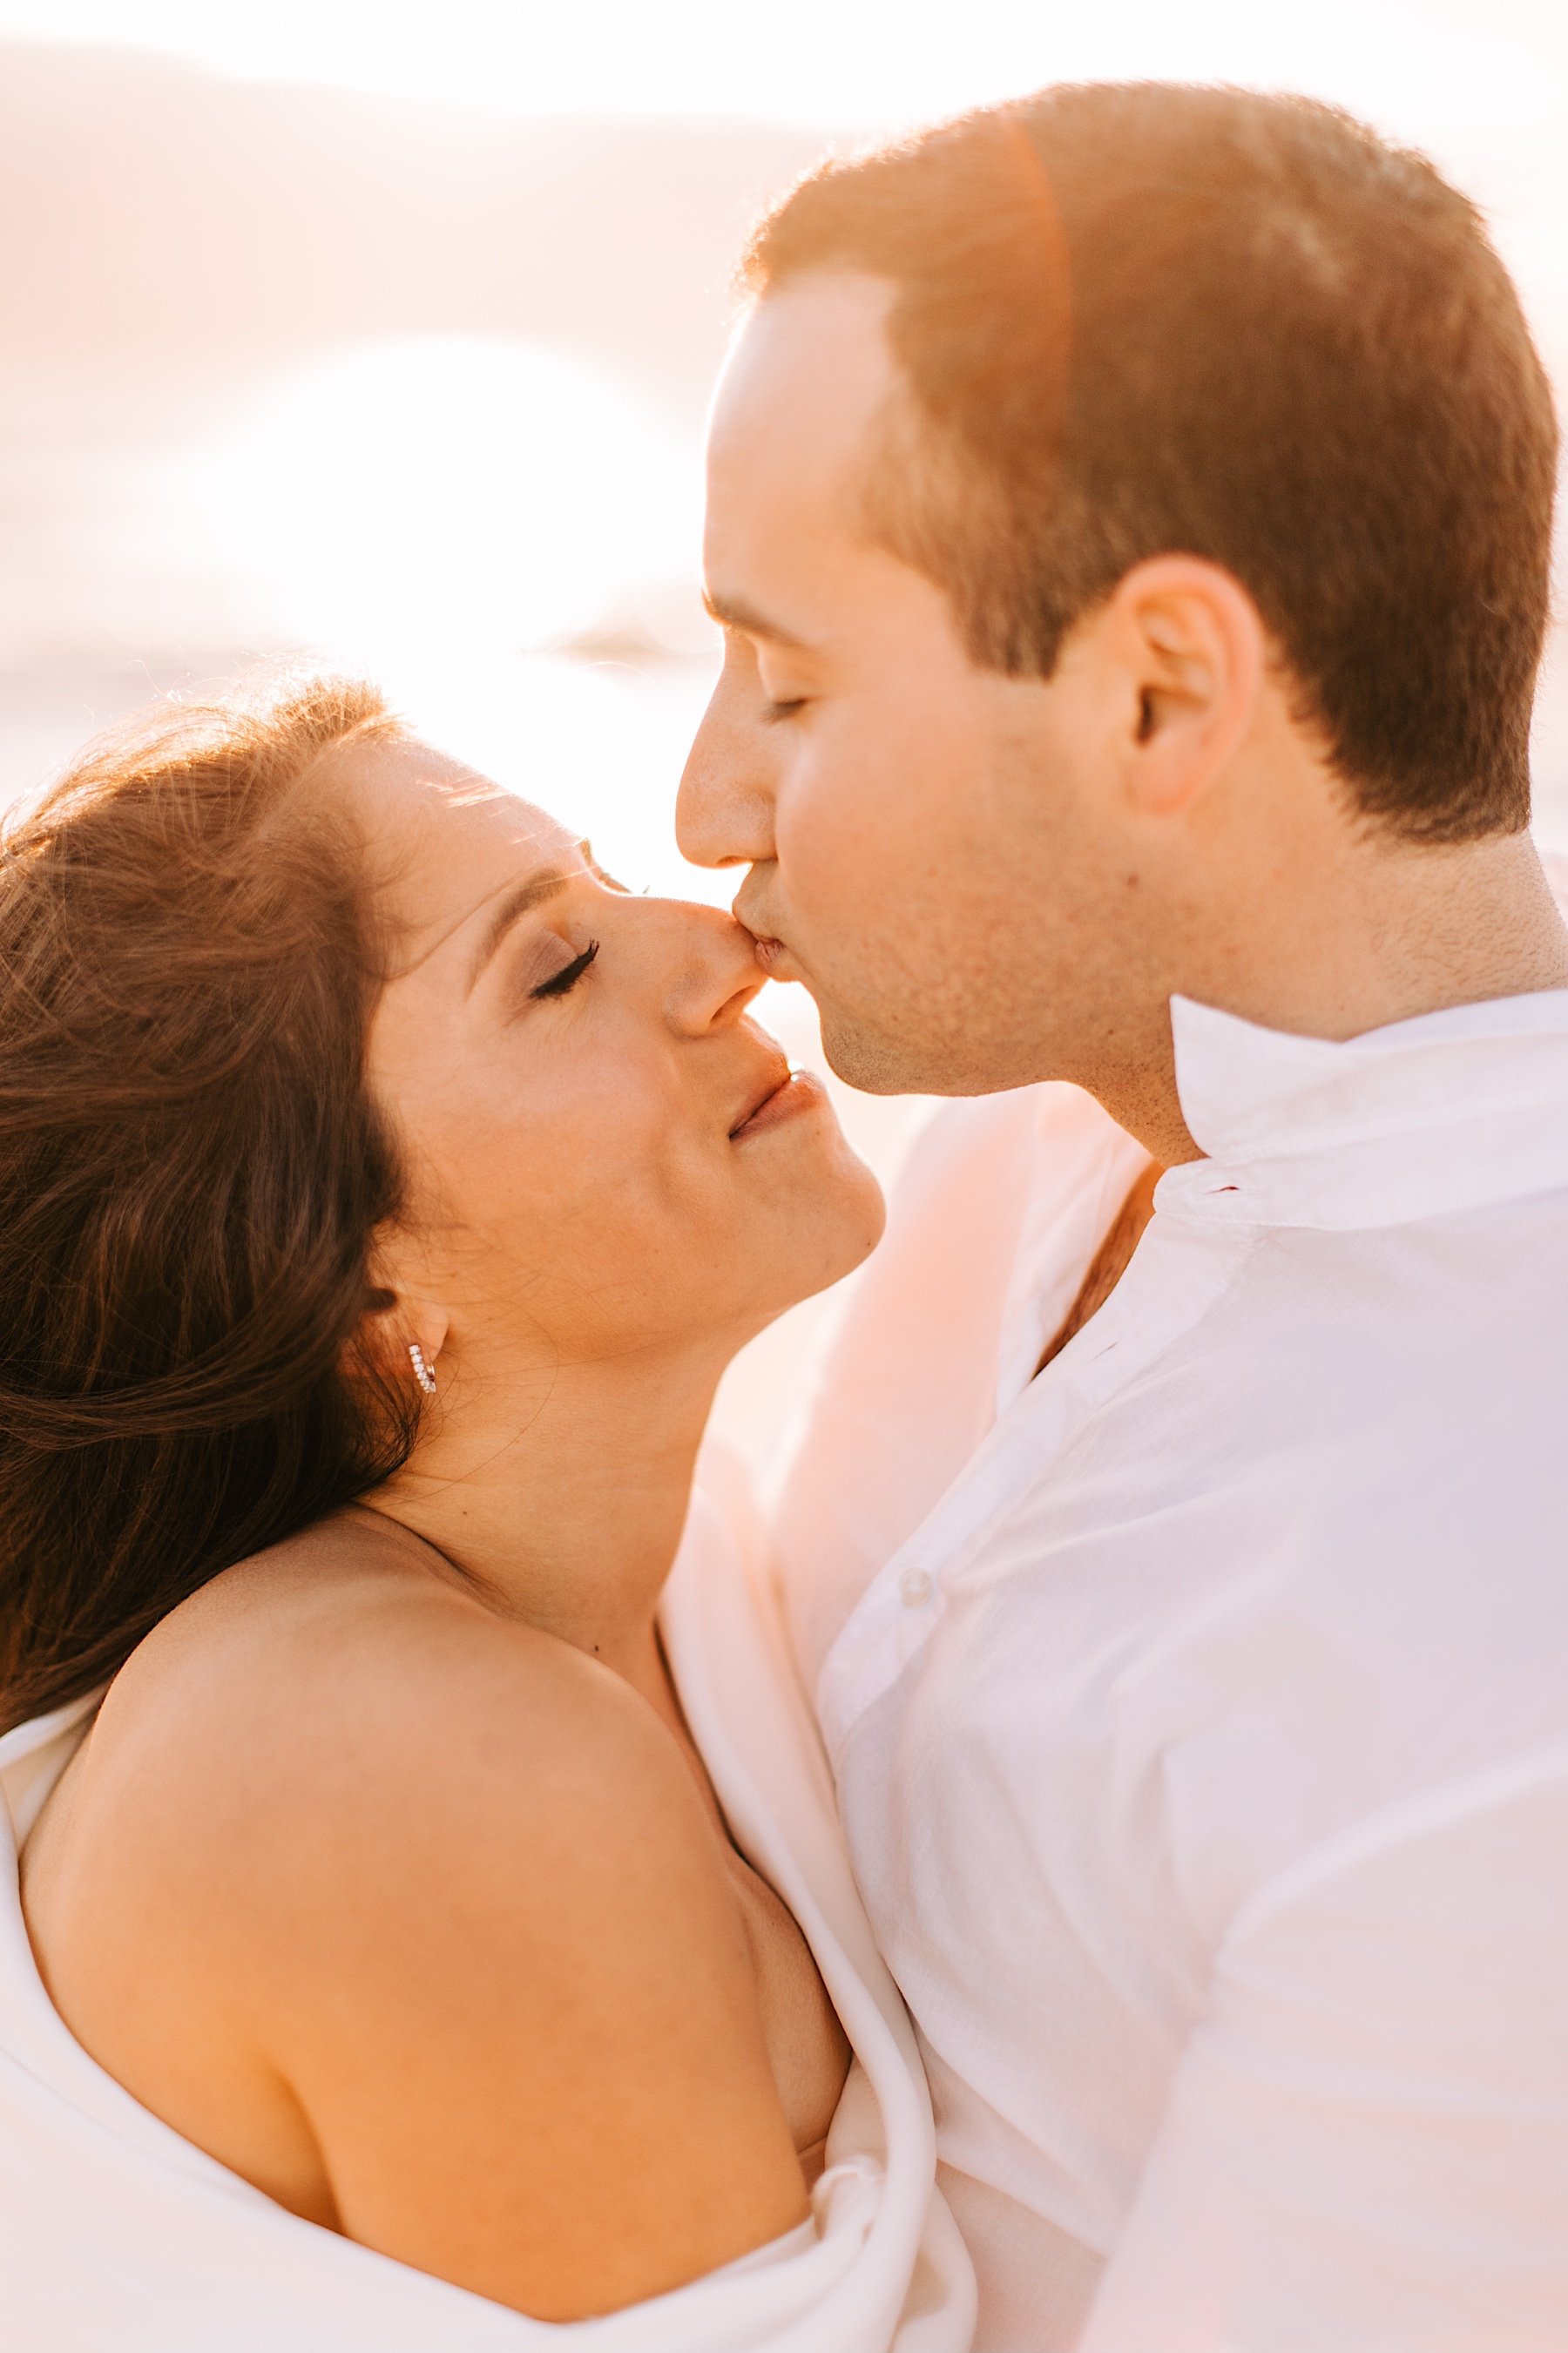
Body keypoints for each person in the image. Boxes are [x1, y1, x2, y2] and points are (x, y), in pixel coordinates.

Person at [678, 82, 1568, 2351]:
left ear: (1162, 693)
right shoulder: (993, 1137)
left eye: (788, 681)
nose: (702, 801)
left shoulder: (1499, 1669)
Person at [0, 676, 974, 2350]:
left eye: (602, 882)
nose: (718, 942)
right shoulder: (412, 1763)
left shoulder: (687, 1569)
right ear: (363, 1291)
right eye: (561, 967)